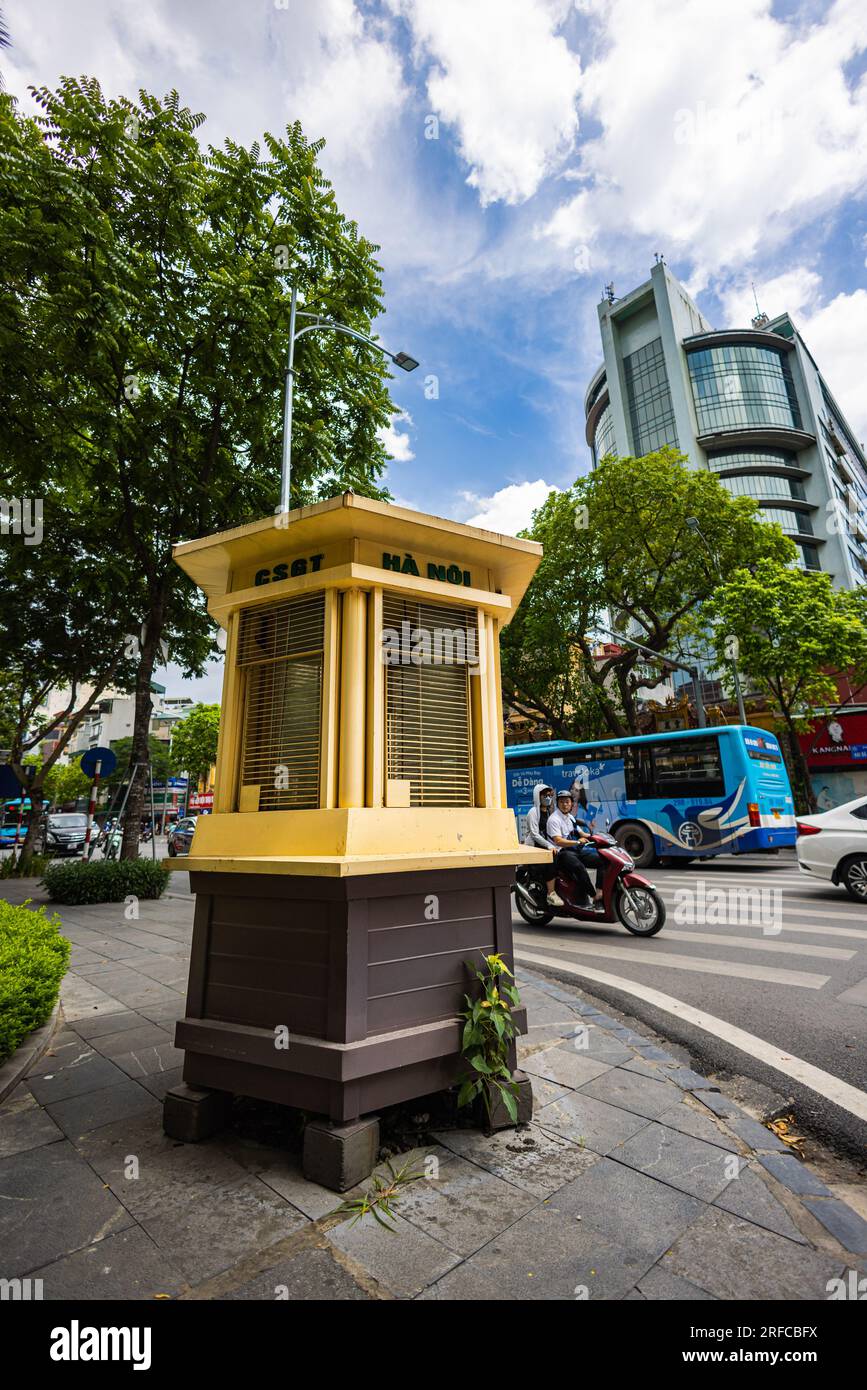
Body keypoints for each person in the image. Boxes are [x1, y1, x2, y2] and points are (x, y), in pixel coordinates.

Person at [546, 790, 600, 905]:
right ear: (557, 803)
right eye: (561, 802)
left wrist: (597, 837)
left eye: (567, 802)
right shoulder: (553, 819)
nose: (565, 804)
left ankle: (600, 891)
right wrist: (577, 842)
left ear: (571, 804)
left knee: (603, 860)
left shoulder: (570, 817)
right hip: (561, 853)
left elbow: (581, 834)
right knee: (579, 867)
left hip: (575, 850)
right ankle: (594, 896)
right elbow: (558, 841)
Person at [522, 783, 564, 907]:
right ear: (537, 796)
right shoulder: (533, 812)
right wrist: (550, 846)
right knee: (552, 858)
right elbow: (535, 834)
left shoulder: (549, 812)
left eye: (550, 795)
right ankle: (551, 893)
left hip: (546, 845)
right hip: (534, 847)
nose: (548, 797)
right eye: (544, 795)